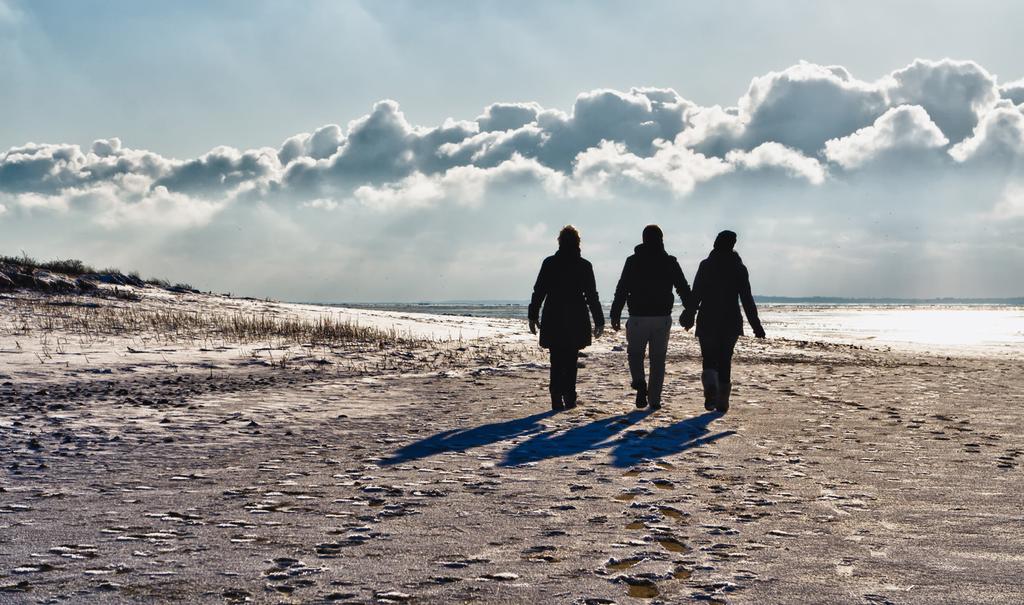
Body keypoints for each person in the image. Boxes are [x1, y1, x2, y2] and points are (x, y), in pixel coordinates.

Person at [681, 230, 765, 414]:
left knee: (709, 359)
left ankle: (711, 388)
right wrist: (756, 325)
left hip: (708, 319)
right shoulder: (739, 268)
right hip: (731, 321)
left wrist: (689, 315)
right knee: (725, 361)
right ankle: (722, 402)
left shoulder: (706, 265)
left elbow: (696, 294)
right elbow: (746, 299)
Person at [610, 225, 692, 411]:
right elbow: (683, 287)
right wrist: (690, 310)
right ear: (661, 239)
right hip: (662, 317)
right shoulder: (669, 261)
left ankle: (639, 382)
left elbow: (622, 288)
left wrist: (615, 312)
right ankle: (654, 400)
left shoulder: (632, 261)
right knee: (658, 360)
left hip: (638, 316)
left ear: (643, 239)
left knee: (635, 354)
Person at [529, 225, 605, 411]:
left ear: (560, 242)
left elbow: (539, 291)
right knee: (571, 358)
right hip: (576, 317)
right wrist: (599, 320)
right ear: (578, 243)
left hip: (553, 315)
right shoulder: (584, 265)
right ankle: (569, 395)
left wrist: (533, 315)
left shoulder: (550, 263)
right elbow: (591, 295)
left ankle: (556, 395)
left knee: (556, 358)